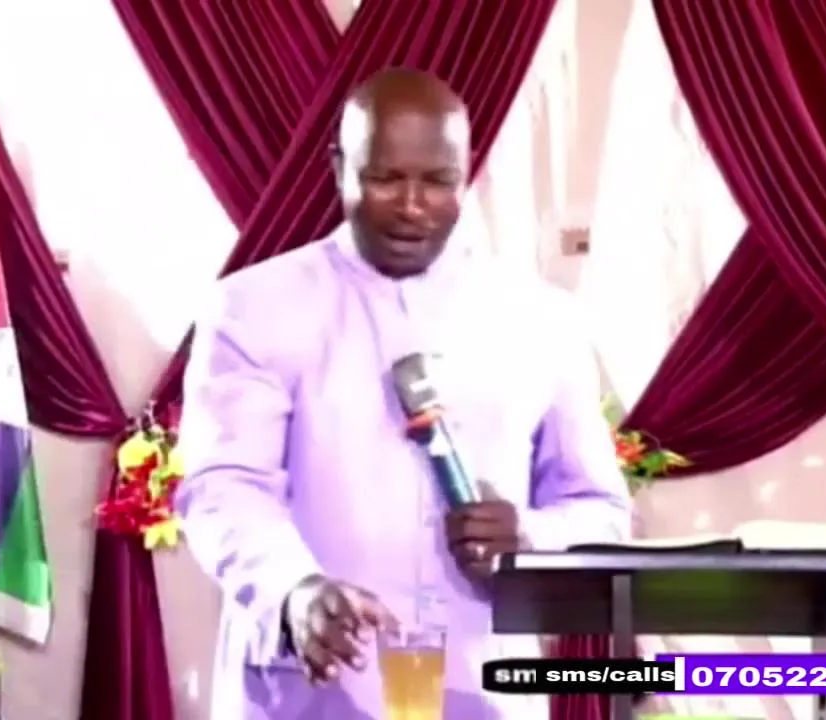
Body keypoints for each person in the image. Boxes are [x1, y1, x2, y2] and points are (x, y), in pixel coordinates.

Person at [175, 67, 632, 719]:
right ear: (339, 168)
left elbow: (601, 511)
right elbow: (223, 486)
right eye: (386, 177)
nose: (412, 205)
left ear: (465, 176)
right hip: (311, 693)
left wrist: (532, 538)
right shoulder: (253, 307)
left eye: (438, 181)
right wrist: (293, 590)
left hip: (482, 691)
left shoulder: (542, 319)